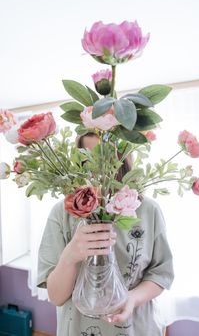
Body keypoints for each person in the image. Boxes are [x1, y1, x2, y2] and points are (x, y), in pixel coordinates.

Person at [37, 132, 174, 336]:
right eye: (88, 158)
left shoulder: (148, 210)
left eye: (107, 158)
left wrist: (132, 298)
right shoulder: (63, 212)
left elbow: (160, 273)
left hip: (136, 329)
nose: (98, 170)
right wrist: (70, 255)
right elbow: (56, 297)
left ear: (123, 160)